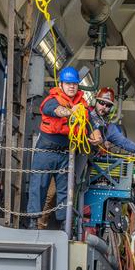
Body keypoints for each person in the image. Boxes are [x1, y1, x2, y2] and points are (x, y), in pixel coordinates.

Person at [24, 67, 86, 228]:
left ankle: (64, 224)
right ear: (62, 84)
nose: (72, 87)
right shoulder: (52, 100)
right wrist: (70, 112)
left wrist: (96, 136)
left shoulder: (82, 104)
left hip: (66, 153)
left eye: (74, 84)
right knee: (39, 186)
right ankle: (32, 222)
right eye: (68, 83)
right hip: (46, 151)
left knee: (65, 190)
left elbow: (90, 125)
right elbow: (54, 110)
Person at [87, 87, 135, 160]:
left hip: (88, 159)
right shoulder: (83, 113)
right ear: (94, 101)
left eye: (108, 105)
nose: (104, 107)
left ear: (111, 108)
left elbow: (124, 142)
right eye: (102, 103)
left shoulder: (109, 127)